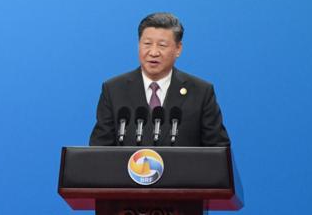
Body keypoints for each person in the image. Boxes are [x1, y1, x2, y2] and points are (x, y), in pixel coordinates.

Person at [89, 12, 230, 147]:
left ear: (178, 49)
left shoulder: (201, 92)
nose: (153, 52)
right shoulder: (114, 90)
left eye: (162, 45)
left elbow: (218, 150)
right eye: (147, 44)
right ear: (138, 44)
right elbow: (99, 151)